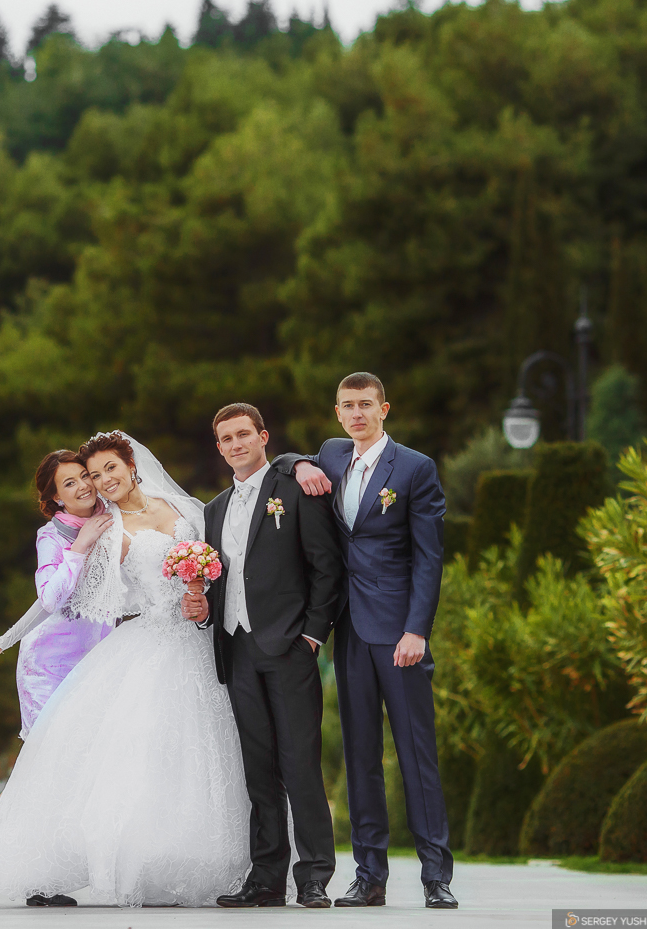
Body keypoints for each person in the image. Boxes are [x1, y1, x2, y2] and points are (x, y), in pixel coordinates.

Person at [0, 431, 251, 907]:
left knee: (201, 754)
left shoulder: (185, 508)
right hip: (146, 644)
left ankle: (197, 863)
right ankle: (140, 867)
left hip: (198, 646)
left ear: (132, 465)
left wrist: (204, 601)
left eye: (108, 470)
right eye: (93, 476)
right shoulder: (104, 530)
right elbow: (52, 601)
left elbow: (231, 560)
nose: (102, 481)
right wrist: (2, 641)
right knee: (141, 757)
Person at [271, 372, 459, 910]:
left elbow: (429, 556)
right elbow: (285, 461)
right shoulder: (331, 454)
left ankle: (435, 876)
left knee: (415, 752)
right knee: (360, 756)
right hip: (347, 628)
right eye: (348, 406)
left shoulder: (416, 468)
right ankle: (369, 876)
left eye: (366, 405)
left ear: (384, 409)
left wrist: (417, 629)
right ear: (337, 413)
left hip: (399, 630)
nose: (357, 414)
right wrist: (301, 464)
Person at [0, 450, 115, 907]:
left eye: (84, 477)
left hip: (98, 662)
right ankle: (5, 868)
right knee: (44, 769)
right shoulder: (53, 536)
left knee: (75, 772)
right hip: (49, 665)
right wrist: (1, 642)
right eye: (69, 484)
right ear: (55, 498)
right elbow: (50, 599)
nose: (82, 486)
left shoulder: (114, 515)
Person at [194, 403, 344, 909]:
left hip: (289, 648)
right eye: (227, 439)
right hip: (236, 649)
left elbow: (326, 567)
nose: (236, 444)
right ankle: (266, 879)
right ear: (219, 448)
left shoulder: (295, 487)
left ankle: (315, 876)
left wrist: (313, 636)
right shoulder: (212, 511)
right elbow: (220, 582)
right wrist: (201, 610)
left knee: (300, 764)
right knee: (257, 769)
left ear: (263, 437)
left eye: (244, 435)